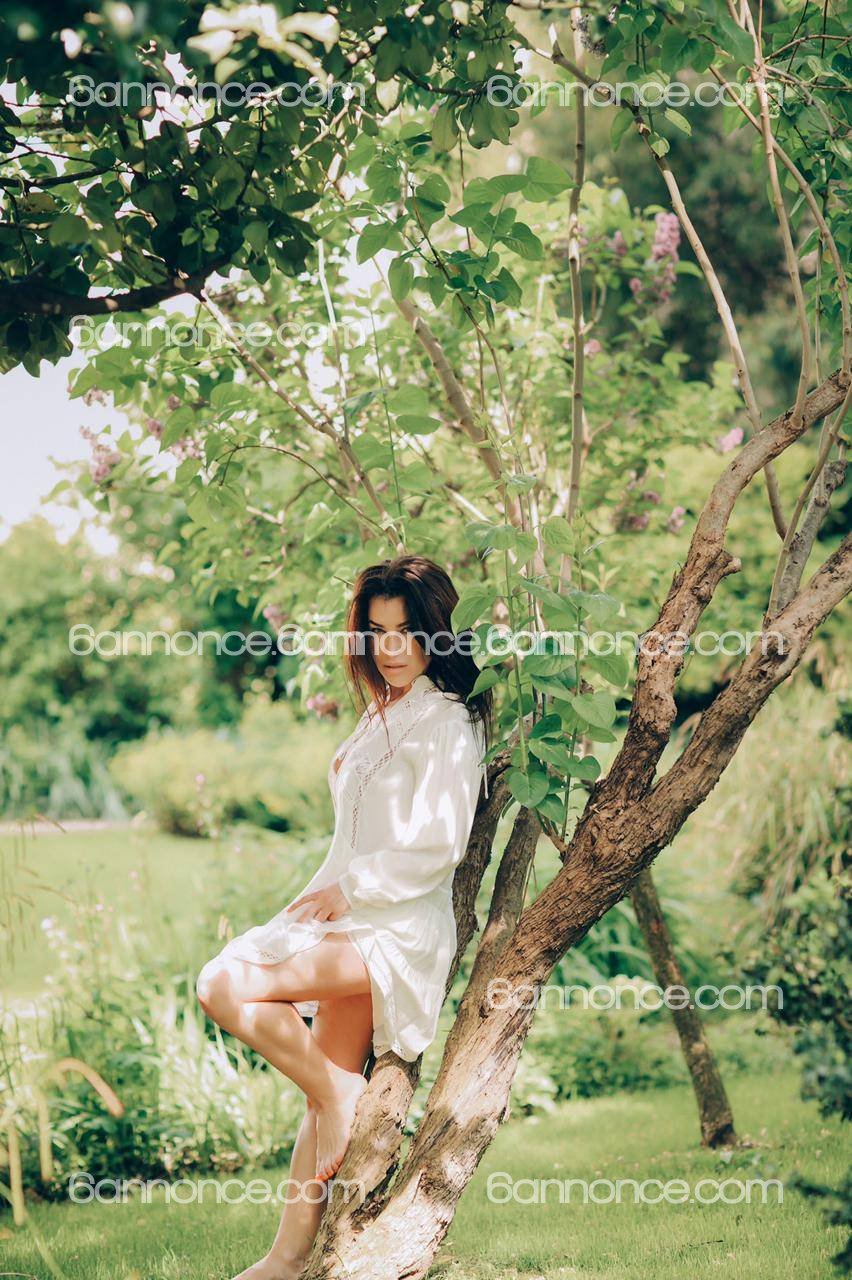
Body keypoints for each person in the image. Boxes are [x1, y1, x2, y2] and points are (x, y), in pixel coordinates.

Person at [196, 554, 493, 1280]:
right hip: (354, 918)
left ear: (438, 633)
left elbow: (440, 843)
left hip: (396, 926)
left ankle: (341, 1094)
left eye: (407, 632)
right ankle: (288, 1258)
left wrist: (351, 893)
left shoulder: (445, 721)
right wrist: (313, 906)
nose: (391, 648)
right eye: (377, 631)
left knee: (222, 985)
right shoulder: (380, 714)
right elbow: (350, 840)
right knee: (318, 1086)